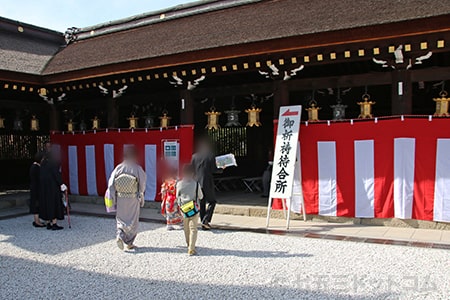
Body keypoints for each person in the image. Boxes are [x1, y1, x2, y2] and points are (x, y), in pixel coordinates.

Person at [106, 146, 146, 251]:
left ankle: (120, 234)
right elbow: (142, 184)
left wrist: (113, 198)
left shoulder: (118, 168)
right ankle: (129, 243)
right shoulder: (137, 168)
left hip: (120, 198)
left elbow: (111, 185)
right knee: (132, 221)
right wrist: (140, 194)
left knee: (121, 218)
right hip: (132, 198)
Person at [191, 138, 223, 230]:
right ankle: (206, 220)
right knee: (212, 201)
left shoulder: (194, 156)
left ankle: (203, 222)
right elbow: (214, 169)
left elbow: (191, 170)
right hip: (207, 182)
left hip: (197, 182)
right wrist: (222, 168)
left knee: (201, 202)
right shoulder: (210, 156)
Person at [176, 164, 203, 256]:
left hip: (184, 209)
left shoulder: (179, 184)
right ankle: (191, 248)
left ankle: (188, 244)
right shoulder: (196, 184)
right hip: (194, 208)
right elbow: (201, 196)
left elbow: (177, 196)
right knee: (193, 229)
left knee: (186, 228)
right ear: (192, 173)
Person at [39, 152, 66, 230]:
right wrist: (61, 184)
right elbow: (56, 175)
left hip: (44, 188)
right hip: (53, 188)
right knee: (54, 204)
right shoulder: (53, 164)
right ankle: (54, 223)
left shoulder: (42, 164)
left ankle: (48, 222)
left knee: (46, 204)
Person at [29, 152, 46, 227]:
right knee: (36, 204)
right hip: (36, 188)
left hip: (35, 187)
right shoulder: (36, 167)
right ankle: (37, 221)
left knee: (36, 203)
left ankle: (37, 220)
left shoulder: (34, 166)